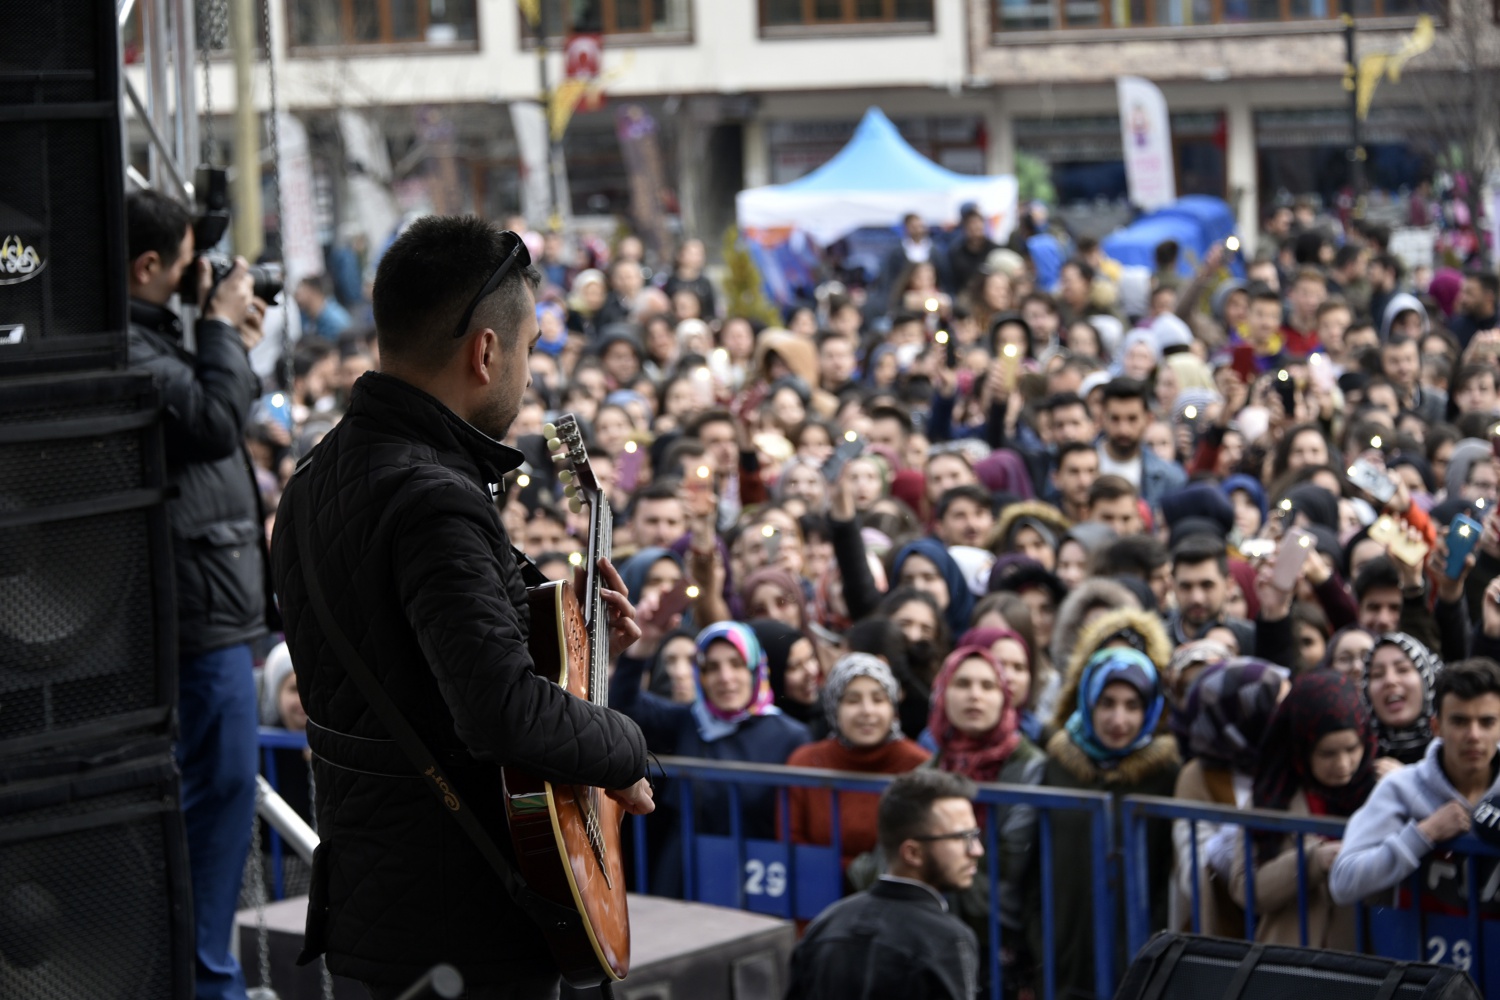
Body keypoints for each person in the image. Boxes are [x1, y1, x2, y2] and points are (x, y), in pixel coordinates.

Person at [270, 216, 654, 998]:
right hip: (460, 929)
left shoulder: (316, 478)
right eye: (530, 346)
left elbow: (405, 663)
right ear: (485, 351)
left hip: (378, 911)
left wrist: (569, 640)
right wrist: (626, 747)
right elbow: (498, 711)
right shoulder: (434, 501)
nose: (528, 367)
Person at [126, 188, 277, 1000]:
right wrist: (218, 331)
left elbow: (216, 413)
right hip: (196, 624)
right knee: (211, 805)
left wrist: (227, 339)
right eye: (188, 264)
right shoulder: (129, 349)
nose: (201, 279)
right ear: (148, 266)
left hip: (213, 613)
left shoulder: (161, 340)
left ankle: (205, 974)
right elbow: (216, 425)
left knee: (220, 807)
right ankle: (204, 984)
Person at [1037, 646, 1181, 1000]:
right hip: (1063, 953)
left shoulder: (1165, 775)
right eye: (1107, 703)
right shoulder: (1057, 766)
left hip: (1138, 956)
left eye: (1133, 706)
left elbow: (1168, 870)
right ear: (1088, 702)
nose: (1118, 720)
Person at [786, 769, 983, 1000]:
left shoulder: (826, 923)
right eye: (962, 838)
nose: (976, 850)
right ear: (913, 853)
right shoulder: (947, 939)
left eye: (975, 835)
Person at [1214, 671, 1377, 949]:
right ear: (1300, 746)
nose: (1343, 764)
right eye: (1327, 753)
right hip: (1290, 966)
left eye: (1352, 748)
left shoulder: (1381, 791)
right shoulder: (1271, 797)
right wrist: (1312, 860)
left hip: (1366, 968)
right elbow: (1246, 889)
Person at [1330, 658, 1500, 905]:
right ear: (1436, 727)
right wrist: (1424, 833)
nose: (1473, 735)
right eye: (1459, 722)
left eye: (1486, 723)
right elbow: (1343, 882)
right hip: (1419, 942)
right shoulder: (1400, 788)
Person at [785, 654, 930, 875]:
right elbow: (793, 846)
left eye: (878, 699)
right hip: (818, 891)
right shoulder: (805, 763)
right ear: (834, 706)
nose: (867, 711)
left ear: (892, 707)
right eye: (852, 700)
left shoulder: (919, 765)